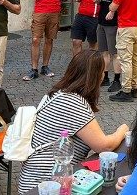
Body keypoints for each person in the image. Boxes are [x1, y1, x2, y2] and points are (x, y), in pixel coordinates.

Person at [17, 50, 128, 192]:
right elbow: (104, 146)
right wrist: (122, 130)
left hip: (46, 179)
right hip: (45, 184)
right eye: (102, 72)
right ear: (93, 76)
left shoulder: (60, 93)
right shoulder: (73, 102)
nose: (103, 76)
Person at [28, 0, 64, 79]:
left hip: (54, 10)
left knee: (49, 39)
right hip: (40, 11)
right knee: (36, 39)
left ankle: (45, 66)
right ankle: (34, 68)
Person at [97, 0, 123, 92]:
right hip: (101, 20)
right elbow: (102, 1)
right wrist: (98, 1)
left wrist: (113, 12)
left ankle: (117, 79)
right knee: (104, 52)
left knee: (114, 53)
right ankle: (105, 77)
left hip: (113, 22)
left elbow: (119, 2)